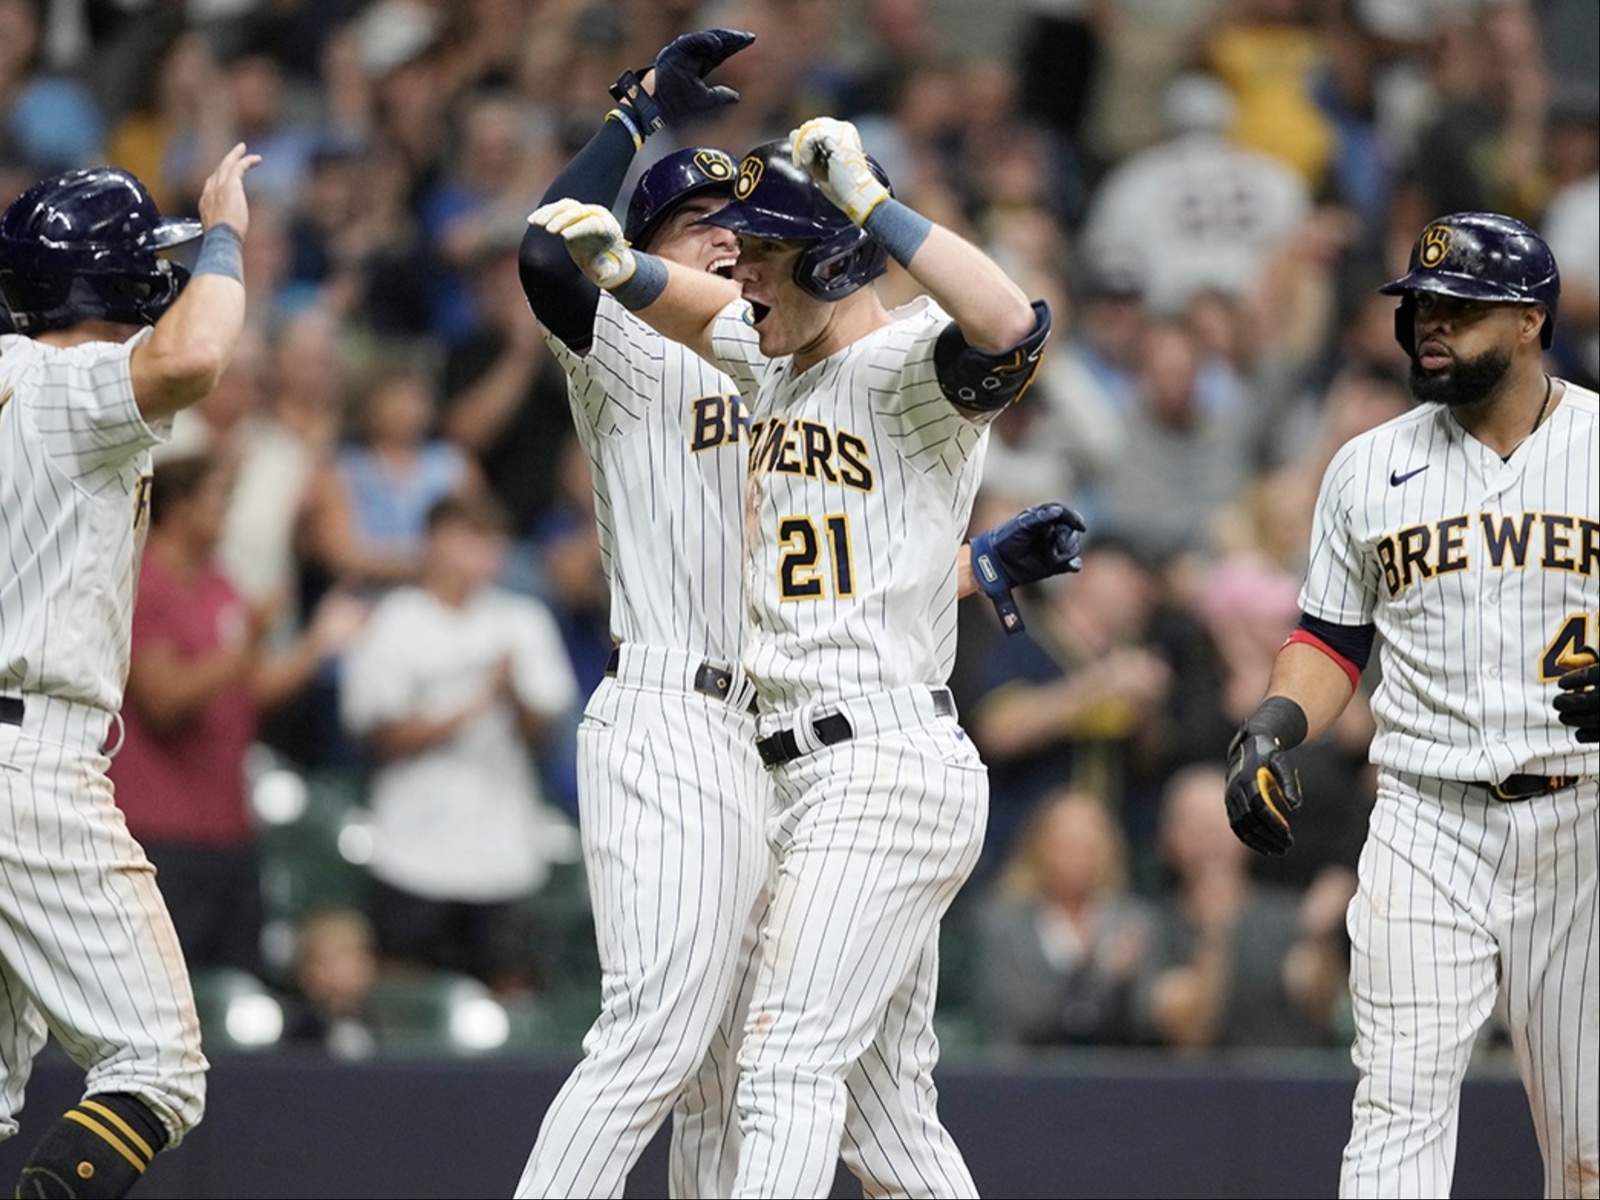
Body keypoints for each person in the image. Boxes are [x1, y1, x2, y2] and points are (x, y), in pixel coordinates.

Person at [516, 30, 1085, 1199]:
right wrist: (620, 200)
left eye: (758, 240)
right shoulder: (740, 351)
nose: (735, 253)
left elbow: (1007, 327)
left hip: (858, 751)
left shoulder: (864, 358)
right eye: (713, 230)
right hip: (710, 722)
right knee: (848, 1108)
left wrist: (872, 201)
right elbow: (582, 271)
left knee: (767, 1063)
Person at [1222, 212, 1598, 1198]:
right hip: (1426, 821)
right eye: (1420, 305)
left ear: (1527, 319)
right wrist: (1272, 723)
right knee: (1396, 1111)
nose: (1429, 324)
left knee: (1586, 1147)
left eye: (1458, 308)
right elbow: (1330, 641)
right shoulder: (1364, 468)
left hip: (1584, 823)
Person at [0, 145, 259, 1197]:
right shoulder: (66, 389)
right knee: (157, 1065)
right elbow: (194, 359)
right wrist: (227, 234)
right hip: (31, 770)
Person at [112, 451, 366, 977]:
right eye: (217, 500)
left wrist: (317, 643)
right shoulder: (145, 582)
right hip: (161, 832)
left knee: (240, 981)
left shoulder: (218, 583)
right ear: (179, 509)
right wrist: (246, 647)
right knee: (166, 986)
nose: (227, 513)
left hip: (229, 829)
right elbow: (163, 701)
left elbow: (250, 692)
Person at [339, 491, 579, 997]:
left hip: (504, 854)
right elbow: (379, 735)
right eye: (472, 540)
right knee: (404, 991)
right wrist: (472, 704)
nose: (486, 555)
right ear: (436, 543)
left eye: (492, 543)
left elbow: (546, 734)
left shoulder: (523, 620)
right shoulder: (395, 620)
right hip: (412, 850)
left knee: (511, 992)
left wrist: (509, 692)